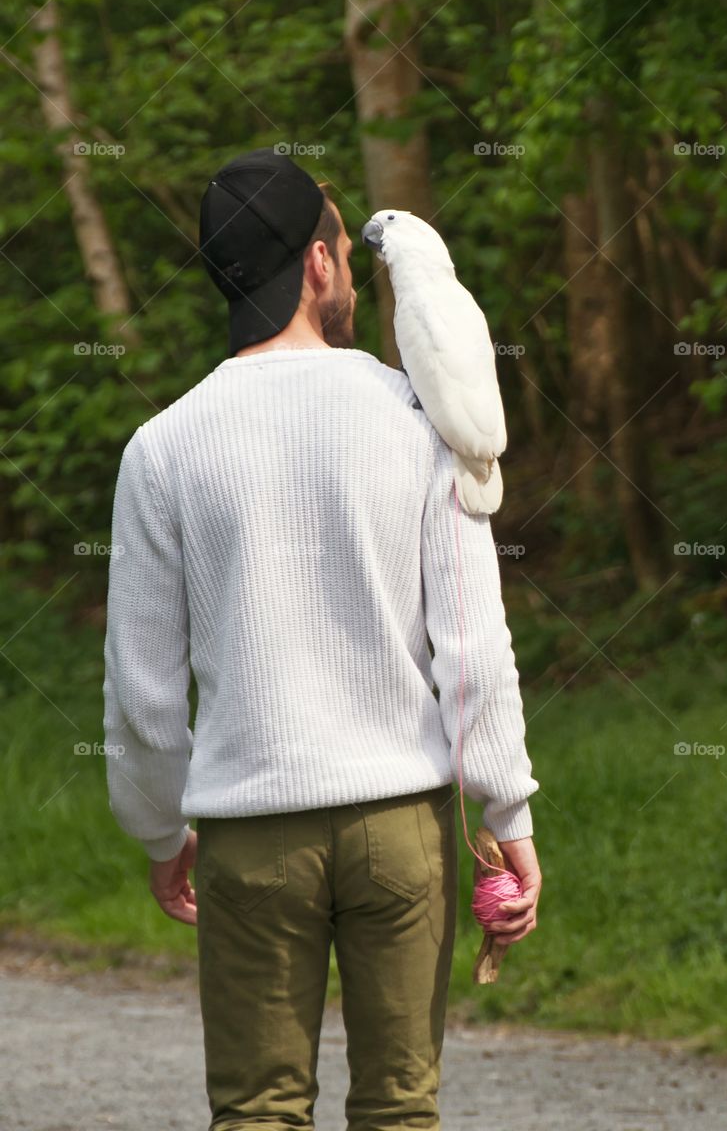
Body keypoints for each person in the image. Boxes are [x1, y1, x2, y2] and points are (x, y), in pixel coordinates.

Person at [102, 146, 542, 1131]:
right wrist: (505, 813)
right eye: (342, 248)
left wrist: (159, 828)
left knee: (257, 1110)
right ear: (314, 264)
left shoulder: (163, 447)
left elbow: (141, 695)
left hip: (250, 838)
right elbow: (470, 644)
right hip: (402, 832)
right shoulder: (417, 419)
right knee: (397, 1108)